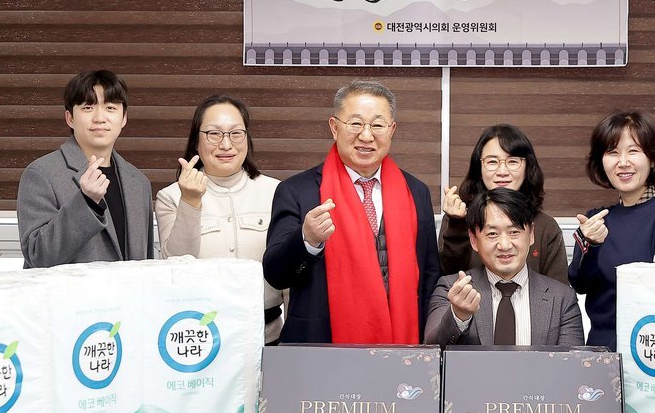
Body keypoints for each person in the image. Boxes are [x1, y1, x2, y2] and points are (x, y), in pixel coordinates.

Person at [262, 80, 440, 344]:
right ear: (334, 127)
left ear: (391, 130)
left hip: (403, 345)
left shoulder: (416, 191)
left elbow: (429, 276)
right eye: (355, 124)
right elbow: (276, 275)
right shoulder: (297, 191)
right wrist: (307, 240)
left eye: (377, 125)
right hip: (321, 347)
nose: (366, 136)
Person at [155, 95, 285, 344]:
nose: (226, 144)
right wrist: (190, 201)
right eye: (214, 134)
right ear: (196, 142)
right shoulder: (170, 197)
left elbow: (289, 273)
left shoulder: (276, 192)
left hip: (268, 336)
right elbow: (176, 265)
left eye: (236, 134)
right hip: (201, 338)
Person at [569, 110, 655, 350]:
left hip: (648, 350)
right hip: (598, 351)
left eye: (633, 151)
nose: (623, 162)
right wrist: (590, 244)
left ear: (653, 159)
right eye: (612, 152)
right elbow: (580, 284)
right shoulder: (597, 219)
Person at [17, 70, 154, 268]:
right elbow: (37, 255)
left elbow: (145, 263)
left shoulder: (139, 183)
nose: (99, 118)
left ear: (124, 118)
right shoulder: (41, 174)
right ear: (70, 118)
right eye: (88, 107)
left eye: (110, 108)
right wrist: (86, 202)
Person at [425, 187, 583, 348]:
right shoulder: (451, 288)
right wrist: (459, 315)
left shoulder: (562, 298)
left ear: (531, 234)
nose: (505, 245)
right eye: (492, 234)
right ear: (473, 240)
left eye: (514, 232)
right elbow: (431, 348)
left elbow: (571, 361)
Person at [439, 124, 568, 284]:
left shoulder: (546, 226)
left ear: (527, 166)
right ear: (479, 168)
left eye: (512, 161)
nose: (502, 171)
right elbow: (446, 280)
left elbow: (559, 293)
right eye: (492, 162)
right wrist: (457, 225)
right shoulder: (457, 218)